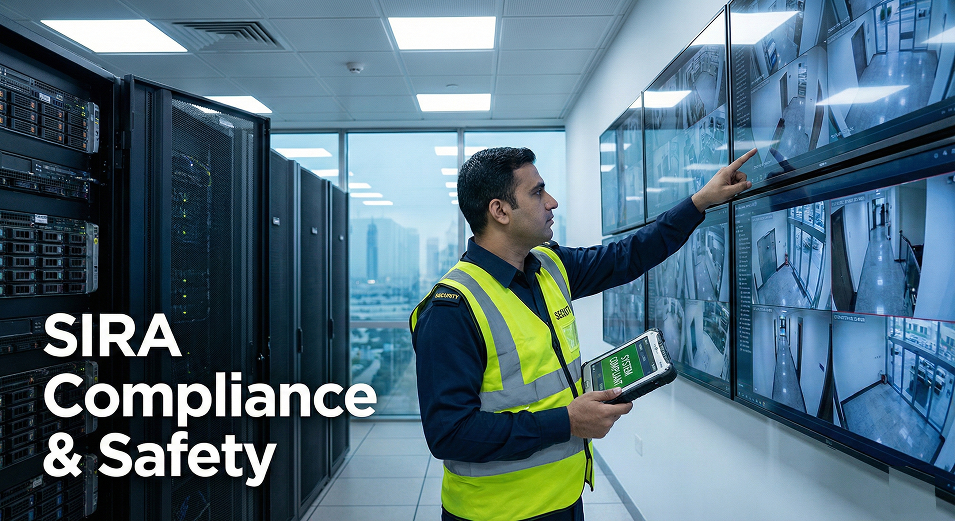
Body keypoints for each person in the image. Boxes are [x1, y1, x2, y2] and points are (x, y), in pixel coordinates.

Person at [410, 147, 756, 521]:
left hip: (565, 498)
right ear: (500, 211)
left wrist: (699, 203)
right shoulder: (452, 309)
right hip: (495, 513)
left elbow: (628, 255)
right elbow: (449, 433)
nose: (551, 202)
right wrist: (567, 422)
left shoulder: (549, 266)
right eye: (537, 192)